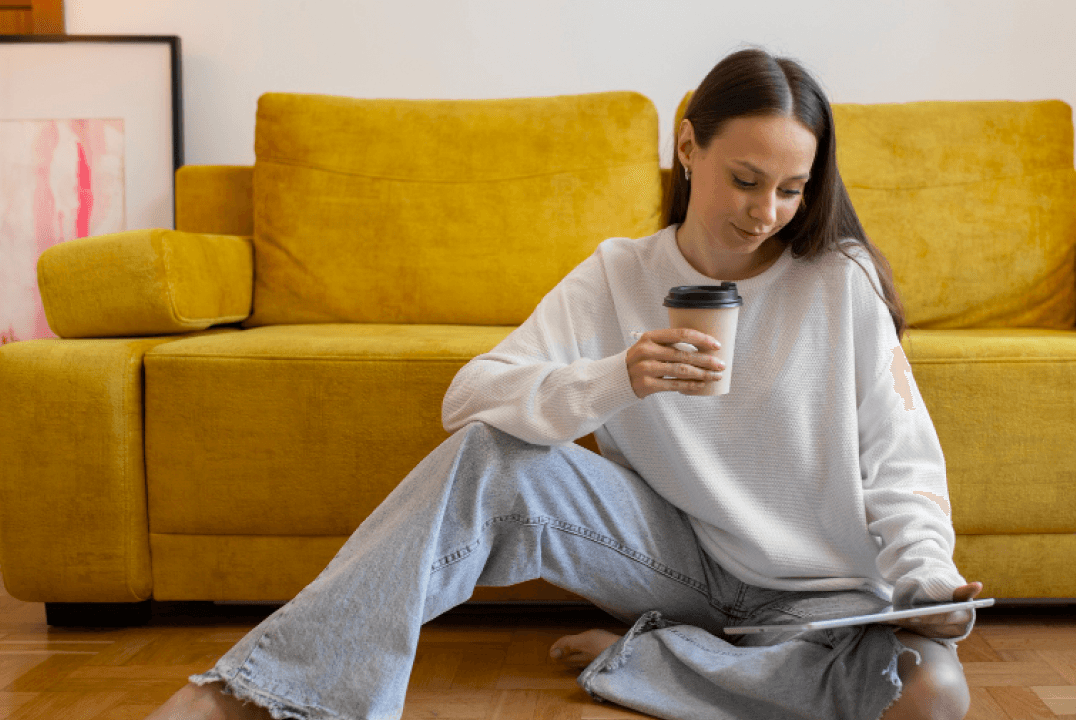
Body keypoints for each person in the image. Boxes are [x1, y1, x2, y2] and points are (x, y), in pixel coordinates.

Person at [145, 46, 983, 720]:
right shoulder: (618, 274)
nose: (765, 211)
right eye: (745, 179)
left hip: (825, 596)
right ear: (689, 148)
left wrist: (926, 584)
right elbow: (469, 400)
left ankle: (655, 660)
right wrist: (613, 378)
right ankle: (261, 694)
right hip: (681, 563)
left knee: (931, 696)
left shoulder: (837, 280)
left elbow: (899, 461)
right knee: (493, 456)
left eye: (791, 189)